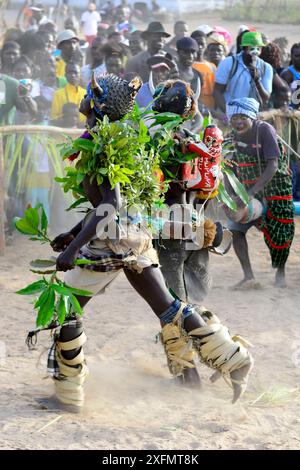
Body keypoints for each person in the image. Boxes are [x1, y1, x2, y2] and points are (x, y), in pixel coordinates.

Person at [31, 75, 253, 412]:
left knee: (64, 310)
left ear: (97, 103)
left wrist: (76, 247)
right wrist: (74, 232)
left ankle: (69, 395)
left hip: (112, 240)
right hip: (134, 234)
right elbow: (108, 203)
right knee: (169, 306)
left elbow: (110, 203)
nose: (84, 97)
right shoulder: (120, 137)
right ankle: (233, 359)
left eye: (90, 93)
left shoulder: (105, 143)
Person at [225, 97, 294, 289]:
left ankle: (280, 272)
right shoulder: (231, 138)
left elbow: (273, 166)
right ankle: (248, 277)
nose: (238, 122)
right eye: (234, 118)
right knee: (235, 229)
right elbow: (228, 170)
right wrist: (232, 197)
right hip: (248, 190)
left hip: (276, 189)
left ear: (252, 117)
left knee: (279, 233)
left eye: (242, 117)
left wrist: (250, 194)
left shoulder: (264, 130)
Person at [214, 32, 273, 119]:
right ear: (243, 48)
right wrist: (228, 114)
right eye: (251, 48)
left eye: (258, 49)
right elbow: (217, 92)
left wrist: (257, 82)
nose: (255, 52)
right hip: (230, 114)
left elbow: (265, 98)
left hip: (252, 117)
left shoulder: (266, 68)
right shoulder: (228, 63)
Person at [191, 30, 216, 109]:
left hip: (212, 109)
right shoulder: (188, 67)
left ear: (206, 45)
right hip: (195, 109)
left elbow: (216, 91)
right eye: (197, 44)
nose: (200, 47)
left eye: (202, 44)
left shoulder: (212, 66)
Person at [280, 43, 300, 110]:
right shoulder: (287, 74)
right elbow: (282, 99)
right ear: (291, 56)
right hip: (292, 113)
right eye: (297, 56)